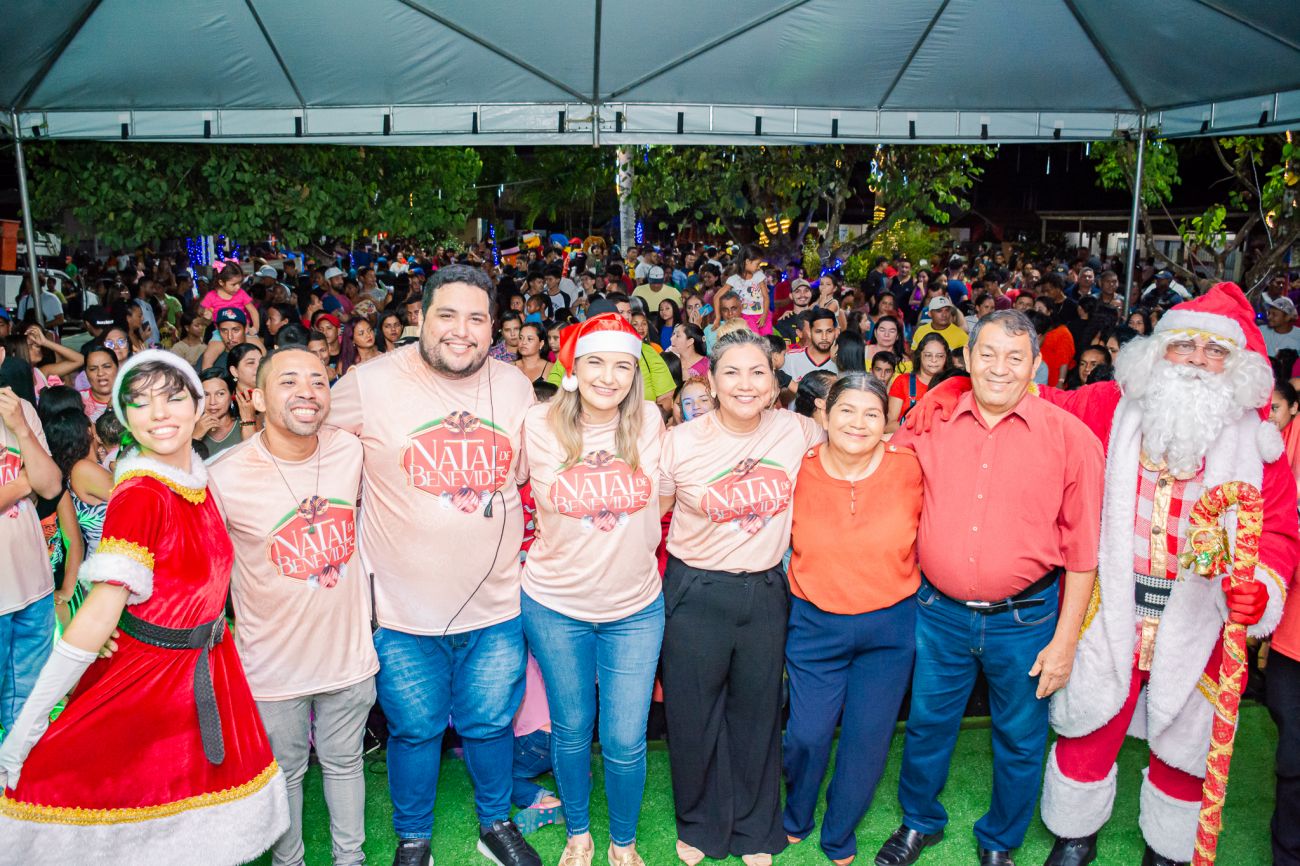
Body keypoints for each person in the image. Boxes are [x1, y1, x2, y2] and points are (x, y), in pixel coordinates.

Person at [1008, 283, 1298, 866]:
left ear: (1236, 364)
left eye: (1214, 351)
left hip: (1200, 618)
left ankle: (1167, 847)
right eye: (1183, 345)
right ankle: (1074, 831)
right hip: (1110, 604)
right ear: (1158, 349)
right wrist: (963, 388)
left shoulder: (1259, 443)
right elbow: (1042, 404)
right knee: (1090, 721)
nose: (1195, 361)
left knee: (1186, 742)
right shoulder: (1113, 406)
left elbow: (1277, 531)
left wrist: (1260, 587)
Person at [0, 351, 290, 863]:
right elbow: (100, 609)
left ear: (198, 406)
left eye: (173, 397)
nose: (158, 413)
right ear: (124, 417)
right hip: (152, 685)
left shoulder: (198, 481)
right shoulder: (141, 494)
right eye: (139, 401)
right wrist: (26, 728)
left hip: (205, 672)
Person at [328, 264, 540, 866]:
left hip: (496, 606)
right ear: (420, 317)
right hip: (402, 611)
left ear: (492, 327)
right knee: (414, 729)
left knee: (491, 724)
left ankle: (495, 825)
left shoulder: (515, 386)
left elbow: (530, 472)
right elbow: (310, 449)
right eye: (447, 315)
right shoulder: (369, 382)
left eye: (476, 319)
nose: (461, 331)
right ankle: (414, 837)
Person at [876, 310, 1104, 866]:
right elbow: (883, 476)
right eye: (988, 354)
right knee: (927, 725)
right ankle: (919, 821)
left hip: (1025, 620)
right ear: (967, 358)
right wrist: (937, 393)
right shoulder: (929, 422)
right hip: (939, 614)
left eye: (1015, 357)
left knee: (1021, 738)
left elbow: (1083, 553)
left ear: (1037, 364)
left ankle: (1000, 839)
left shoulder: (1071, 439)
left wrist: (1065, 642)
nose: (1000, 368)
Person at [658, 329, 825, 866]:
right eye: (731, 372)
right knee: (693, 714)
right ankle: (700, 825)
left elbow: (858, 437)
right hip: (696, 591)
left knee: (758, 713)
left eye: (758, 372)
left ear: (775, 381)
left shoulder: (799, 431)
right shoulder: (680, 442)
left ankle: (755, 829)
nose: (745, 384)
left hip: (766, 590)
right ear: (710, 379)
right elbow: (652, 511)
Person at [209, 346, 379, 866]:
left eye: (318, 381)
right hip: (272, 664)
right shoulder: (223, 475)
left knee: (346, 763)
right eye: (288, 382)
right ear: (255, 398)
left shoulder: (350, 450)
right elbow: (198, 566)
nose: (307, 391)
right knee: (285, 774)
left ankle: (350, 859)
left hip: (348, 656)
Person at [521, 314, 665, 866]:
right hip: (556, 605)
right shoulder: (538, 423)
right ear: (573, 368)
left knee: (626, 739)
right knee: (573, 728)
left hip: (635, 608)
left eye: (623, 366)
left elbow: (661, 498)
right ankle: (579, 834)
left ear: (636, 373)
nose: (609, 377)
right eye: (596, 363)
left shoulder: (649, 421)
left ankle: (623, 842)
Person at [783, 373, 922, 866]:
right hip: (815, 623)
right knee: (807, 734)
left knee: (867, 740)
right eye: (846, 410)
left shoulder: (911, 467)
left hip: (890, 627)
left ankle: (840, 830)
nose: (858, 423)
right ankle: (796, 813)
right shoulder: (798, 466)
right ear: (824, 413)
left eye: (871, 413)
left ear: (886, 420)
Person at [0, 362, 63, 746]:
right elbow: (36, 481)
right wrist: (25, 482)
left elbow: (51, 484)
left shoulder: (20, 408)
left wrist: (22, 428)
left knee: (29, 710)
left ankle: (21, 778)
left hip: (34, 588)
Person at [886, 333, 951, 433]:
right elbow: (889, 426)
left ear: (946, 358)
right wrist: (915, 423)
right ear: (919, 356)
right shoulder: (903, 381)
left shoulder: (951, 384)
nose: (934, 360)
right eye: (928, 355)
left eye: (940, 356)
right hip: (907, 439)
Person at [195, 368, 248, 457]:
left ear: (232, 395)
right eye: (206, 395)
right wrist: (195, 437)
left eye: (220, 394)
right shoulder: (189, 429)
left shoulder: (246, 424)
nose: (212, 402)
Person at [781, 308, 839, 383]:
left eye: (829, 331)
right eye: (818, 331)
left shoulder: (844, 360)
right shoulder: (790, 358)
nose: (824, 337)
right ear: (810, 333)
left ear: (836, 332)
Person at [725, 246, 772, 335]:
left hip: (761, 313)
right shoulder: (734, 279)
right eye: (757, 264)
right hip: (745, 316)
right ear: (747, 261)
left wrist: (764, 315)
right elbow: (725, 298)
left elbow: (766, 296)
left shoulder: (759, 275)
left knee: (767, 337)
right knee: (752, 337)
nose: (758, 267)